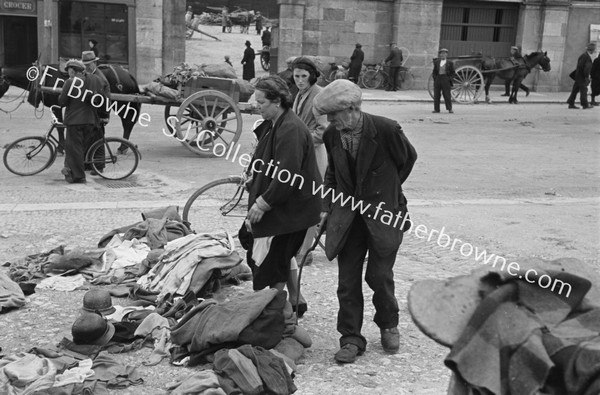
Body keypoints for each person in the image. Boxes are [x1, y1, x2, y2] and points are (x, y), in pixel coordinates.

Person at [312, 79, 417, 364]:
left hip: (384, 215)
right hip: (348, 217)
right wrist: (325, 207)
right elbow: (332, 174)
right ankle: (350, 338)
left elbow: (406, 162)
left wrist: (385, 192)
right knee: (347, 281)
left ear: (352, 108)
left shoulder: (386, 129)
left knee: (379, 276)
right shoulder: (334, 135)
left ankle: (388, 324)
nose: (330, 121)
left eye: (334, 115)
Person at [244, 75, 322, 305]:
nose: (257, 106)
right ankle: (294, 302)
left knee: (272, 257)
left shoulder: (290, 129)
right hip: (287, 203)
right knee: (281, 253)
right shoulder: (275, 123)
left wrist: (263, 203)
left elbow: (286, 175)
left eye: (261, 102)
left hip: (292, 207)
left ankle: (274, 308)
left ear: (277, 101)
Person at [287, 57, 329, 316]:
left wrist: (300, 140)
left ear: (312, 76)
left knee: (311, 202)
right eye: (296, 76)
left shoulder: (319, 97)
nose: (299, 80)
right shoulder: (299, 95)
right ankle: (301, 245)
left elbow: (323, 130)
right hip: (301, 155)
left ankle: (306, 252)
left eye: (304, 76)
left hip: (314, 156)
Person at [58, 59, 107, 184]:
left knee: (74, 148)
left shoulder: (70, 82)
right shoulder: (95, 80)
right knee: (82, 147)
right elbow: (102, 98)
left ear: (73, 71)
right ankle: (82, 168)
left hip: (75, 121)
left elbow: (62, 102)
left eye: (68, 71)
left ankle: (78, 176)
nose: (68, 73)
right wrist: (104, 115)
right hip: (91, 120)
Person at [82, 50, 110, 176]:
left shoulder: (99, 77)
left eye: (89, 64)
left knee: (98, 140)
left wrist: (104, 116)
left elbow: (105, 99)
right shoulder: (88, 74)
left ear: (94, 63)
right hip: (90, 112)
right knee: (89, 137)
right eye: (85, 64)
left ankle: (99, 166)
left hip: (99, 113)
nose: (87, 67)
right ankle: (89, 163)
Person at [567, 42, 596, 109]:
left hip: (579, 76)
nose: (594, 51)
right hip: (581, 77)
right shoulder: (586, 56)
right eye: (594, 50)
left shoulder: (585, 55)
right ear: (591, 50)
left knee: (575, 90)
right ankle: (585, 104)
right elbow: (585, 67)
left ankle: (571, 103)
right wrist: (587, 76)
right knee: (584, 90)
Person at [432, 48, 455, 114]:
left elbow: (453, 73)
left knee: (447, 95)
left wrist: (449, 79)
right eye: (441, 53)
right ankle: (436, 109)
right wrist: (435, 78)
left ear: (446, 55)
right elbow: (434, 72)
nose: (442, 55)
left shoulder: (450, 63)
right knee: (436, 95)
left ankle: (449, 109)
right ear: (440, 54)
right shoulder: (436, 62)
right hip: (438, 79)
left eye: (444, 53)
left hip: (445, 79)